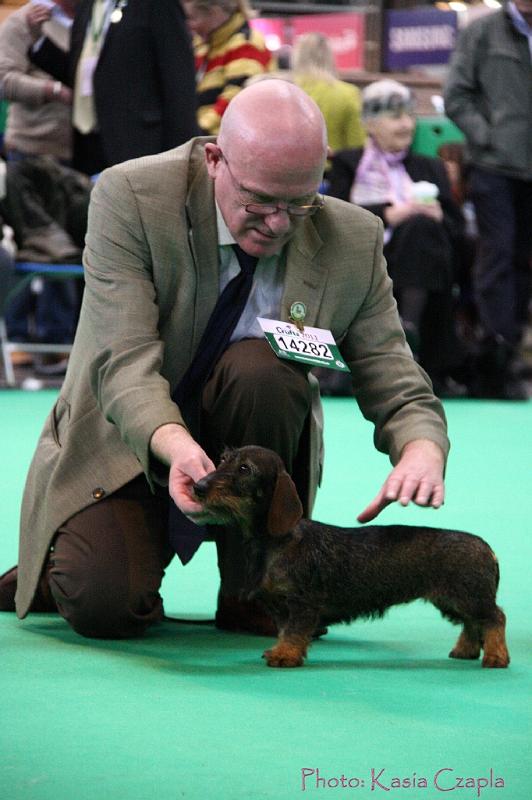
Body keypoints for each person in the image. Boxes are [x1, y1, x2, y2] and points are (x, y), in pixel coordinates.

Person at [0, 81, 449, 641]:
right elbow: (123, 362)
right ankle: (59, 564)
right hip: (126, 437)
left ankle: (247, 594)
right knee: (105, 607)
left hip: (250, 458)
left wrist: (421, 447)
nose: (280, 222)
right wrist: (177, 446)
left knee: (265, 373)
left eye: (301, 203)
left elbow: (392, 368)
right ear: (215, 160)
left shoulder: (353, 236)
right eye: (260, 202)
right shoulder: (129, 196)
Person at [328, 80, 467, 397]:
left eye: (408, 116)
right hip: (366, 255)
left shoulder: (430, 167)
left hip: (426, 257)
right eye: (395, 117)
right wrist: (392, 213)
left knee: (423, 228)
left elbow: (457, 229)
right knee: (415, 225)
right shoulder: (349, 163)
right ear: (371, 124)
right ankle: (406, 337)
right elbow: (335, 217)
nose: (406, 124)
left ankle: (409, 330)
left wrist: (438, 216)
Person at [443, 0, 532, 400]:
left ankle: (511, 352)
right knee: (497, 258)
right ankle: (497, 354)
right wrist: (487, 136)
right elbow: (456, 94)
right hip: (494, 168)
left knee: (523, 262)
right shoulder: (481, 32)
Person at [27, 0, 198, 176]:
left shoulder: (156, 4)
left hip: (139, 146)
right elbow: (85, 75)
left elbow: (179, 81)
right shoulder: (87, 6)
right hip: (88, 145)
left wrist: (180, 158)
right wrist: (39, 40)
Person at [0, 1, 81, 368]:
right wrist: (51, 90)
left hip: (77, 157)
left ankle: (57, 346)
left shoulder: (96, 21)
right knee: (30, 247)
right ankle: (20, 341)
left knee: (67, 252)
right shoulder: (25, 22)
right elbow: (3, 79)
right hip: (27, 154)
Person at [183, 0, 273, 135]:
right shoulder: (203, 46)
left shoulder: (246, 43)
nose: (189, 25)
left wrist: (196, 130)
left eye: (193, 18)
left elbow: (235, 98)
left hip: (222, 141)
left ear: (214, 13)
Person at [291, 32, 365, 175]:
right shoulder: (349, 93)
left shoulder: (286, 93)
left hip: (294, 177)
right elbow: (357, 146)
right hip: (335, 177)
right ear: (330, 57)